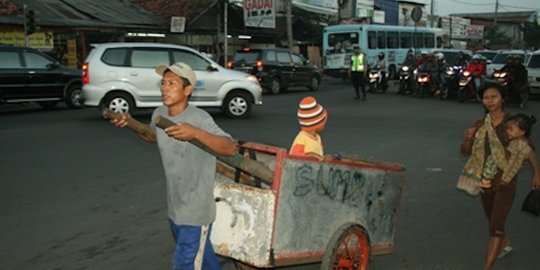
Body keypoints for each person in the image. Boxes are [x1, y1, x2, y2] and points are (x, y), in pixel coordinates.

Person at [110, 62, 237, 270]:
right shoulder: (160, 113)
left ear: (187, 90)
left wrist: (196, 133)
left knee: (184, 262)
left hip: (197, 211)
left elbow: (230, 147)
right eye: (163, 82)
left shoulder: (199, 118)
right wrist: (131, 124)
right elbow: (153, 136)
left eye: (172, 83)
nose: (165, 88)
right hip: (175, 205)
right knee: (203, 259)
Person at [459, 83, 540, 270]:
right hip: (485, 181)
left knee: (496, 223)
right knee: (492, 218)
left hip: (506, 181)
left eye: (494, 96)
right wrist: (469, 137)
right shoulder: (480, 125)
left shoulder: (514, 122)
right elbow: (465, 152)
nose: (490, 101)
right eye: (486, 97)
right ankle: (503, 244)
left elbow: (529, 150)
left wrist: (537, 172)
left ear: (502, 99)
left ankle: (487, 266)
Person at [480, 114, 535, 188]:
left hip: (505, 173)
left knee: (492, 159)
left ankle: (486, 179)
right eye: (507, 128)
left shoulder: (519, 146)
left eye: (511, 129)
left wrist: (504, 180)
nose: (507, 131)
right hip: (504, 167)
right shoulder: (517, 141)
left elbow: (514, 165)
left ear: (522, 132)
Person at [289, 96, 330, 161]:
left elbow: (320, 155)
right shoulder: (302, 139)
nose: (325, 124)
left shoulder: (318, 138)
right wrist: (312, 155)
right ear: (315, 125)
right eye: (323, 122)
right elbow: (293, 157)